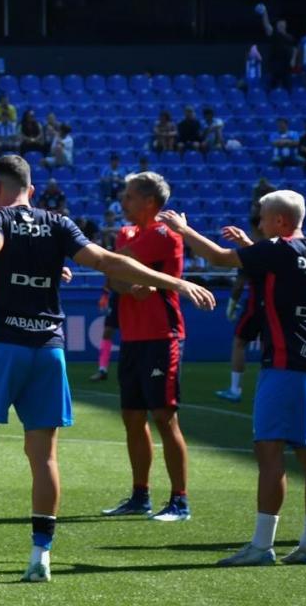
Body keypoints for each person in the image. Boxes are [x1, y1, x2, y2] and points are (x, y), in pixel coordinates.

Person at [0, 155, 214, 584]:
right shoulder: (58, 222)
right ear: (31, 187)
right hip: (49, 349)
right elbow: (104, 260)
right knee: (44, 456)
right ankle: (39, 557)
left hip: (2, 345)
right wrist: (175, 282)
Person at [158, 190, 306, 567]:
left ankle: (261, 545)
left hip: (284, 364)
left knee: (269, 452)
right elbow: (285, 265)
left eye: (264, 219)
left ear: (280, 222)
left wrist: (183, 230)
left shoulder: (275, 247)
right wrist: (253, 246)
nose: (259, 225)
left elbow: (219, 258)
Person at [98, 173, 192, 523]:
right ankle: (141, 496)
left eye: (131, 196)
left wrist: (124, 277)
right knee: (133, 417)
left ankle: (179, 500)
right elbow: (112, 274)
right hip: (134, 339)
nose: (124, 202)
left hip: (161, 337)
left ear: (150, 201)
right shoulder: (128, 234)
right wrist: (125, 283)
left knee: (165, 418)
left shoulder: (165, 235)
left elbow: (114, 266)